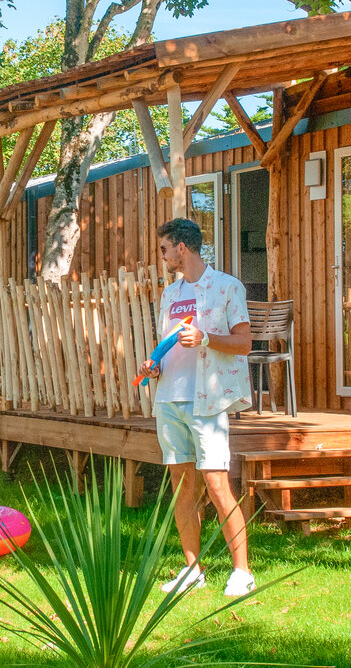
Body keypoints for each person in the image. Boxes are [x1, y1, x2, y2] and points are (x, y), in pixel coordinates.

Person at [138, 218, 255, 597]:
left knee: (218, 486)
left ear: (181, 248)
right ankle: (192, 571)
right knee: (181, 490)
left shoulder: (226, 287)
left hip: (207, 399)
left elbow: (244, 343)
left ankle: (242, 571)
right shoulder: (170, 295)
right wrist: (154, 367)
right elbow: (167, 345)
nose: (163, 256)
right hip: (169, 398)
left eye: (164, 249)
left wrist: (205, 337)